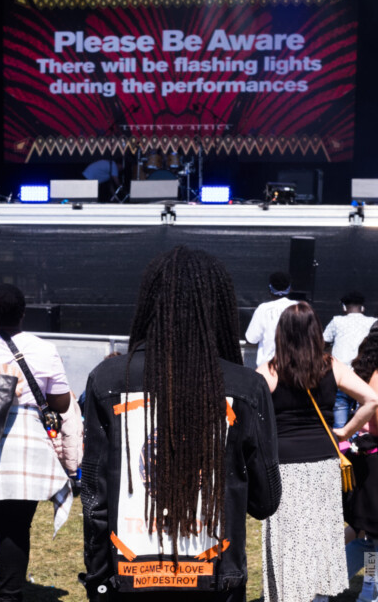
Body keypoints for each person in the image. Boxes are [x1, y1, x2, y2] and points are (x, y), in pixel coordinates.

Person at [80, 246, 282, 602]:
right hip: (216, 579)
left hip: (129, 578)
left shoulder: (108, 378)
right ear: (219, 307)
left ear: (149, 304)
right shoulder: (246, 386)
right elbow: (265, 502)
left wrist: (98, 579)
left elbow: (95, 500)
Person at [257, 302, 378, 602]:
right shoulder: (331, 366)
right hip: (324, 463)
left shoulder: (270, 371)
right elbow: (371, 400)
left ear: (281, 334)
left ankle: (287, 593)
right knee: (321, 537)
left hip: (284, 465)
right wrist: (344, 433)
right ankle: (319, 596)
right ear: (315, 332)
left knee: (287, 538)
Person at [0, 284, 73, 602]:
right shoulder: (43, 349)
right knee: (14, 529)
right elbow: (60, 403)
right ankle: (9, 596)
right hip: (26, 456)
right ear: (23, 313)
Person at [344, 327, 378, 602]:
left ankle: (369, 589)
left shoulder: (368, 371)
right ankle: (324, 582)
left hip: (366, 459)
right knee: (366, 537)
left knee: (369, 538)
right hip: (373, 461)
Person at [323, 291, 377, 428]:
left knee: (339, 420)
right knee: (362, 419)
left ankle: (341, 445)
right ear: (363, 308)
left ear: (344, 307)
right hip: (364, 377)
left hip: (340, 377)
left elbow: (323, 342)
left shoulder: (336, 321)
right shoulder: (373, 322)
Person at [245, 272, 296, 367]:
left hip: (268, 369)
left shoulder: (263, 309)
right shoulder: (300, 309)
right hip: (295, 370)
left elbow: (251, 339)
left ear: (270, 289)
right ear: (290, 289)